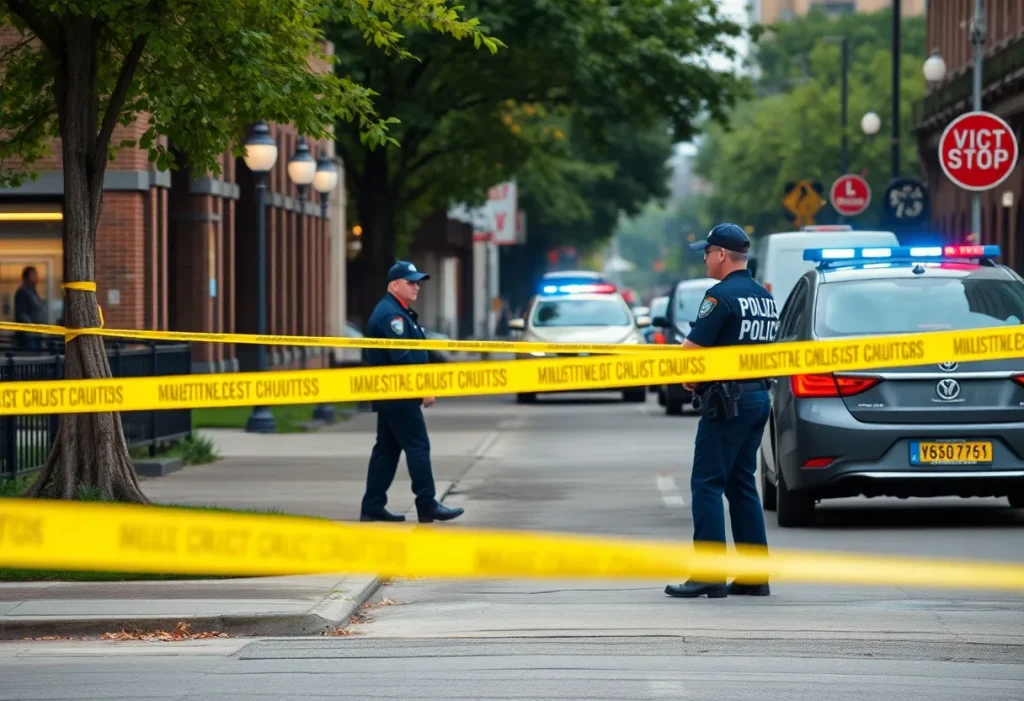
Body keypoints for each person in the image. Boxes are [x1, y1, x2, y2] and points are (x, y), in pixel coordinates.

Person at [664, 224, 778, 599]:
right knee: (742, 484)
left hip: (728, 401)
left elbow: (692, 351)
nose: (704, 258)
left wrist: (690, 379)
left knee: (707, 483)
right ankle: (753, 575)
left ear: (723, 255)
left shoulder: (720, 296)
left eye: (707, 252)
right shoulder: (763, 297)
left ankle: (709, 574)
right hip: (758, 396)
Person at [359, 261, 465, 524]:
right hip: (399, 394)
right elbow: (403, 359)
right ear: (395, 285)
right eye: (411, 282)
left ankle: (372, 506)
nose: (417, 286)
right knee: (418, 446)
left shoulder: (399, 311)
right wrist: (423, 390)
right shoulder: (391, 316)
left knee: (386, 450)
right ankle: (427, 504)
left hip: (392, 394)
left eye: (418, 282)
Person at [13, 266, 45, 349]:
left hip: (36, 333)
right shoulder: (23, 292)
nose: (36, 277)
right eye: (33, 275)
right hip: (29, 335)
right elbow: (22, 313)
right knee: (31, 357)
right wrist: (31, 328)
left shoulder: (33, 291)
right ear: (26, 278)